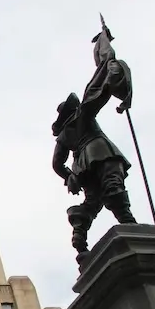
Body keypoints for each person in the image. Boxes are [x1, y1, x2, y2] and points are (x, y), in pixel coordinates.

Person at [51, 92, 136, 265]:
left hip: (82, 167)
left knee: (93, 201)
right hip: (101, 151)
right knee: (112, 186)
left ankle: (79, 235)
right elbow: (99, 96)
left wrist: (70, 177)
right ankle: (128, 222)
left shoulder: (63, 136)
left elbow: (57, 164)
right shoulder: (83, 113)